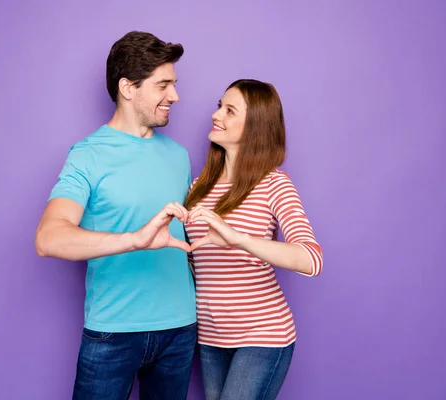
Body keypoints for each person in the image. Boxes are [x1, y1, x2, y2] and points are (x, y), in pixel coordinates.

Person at [34, 31, 197, 400]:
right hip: (113, 333)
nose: (175, 96)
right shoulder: (87, 155)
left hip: (181, 329)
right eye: (163, 85)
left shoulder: (179, 156)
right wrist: (134, 240)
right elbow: (48, 237)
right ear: (128, 87)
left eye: (174, 84)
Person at [183, 79, 324, 399]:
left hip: (262, 336)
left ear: (255, 128)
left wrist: (237, 238)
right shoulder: (197, 189)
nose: (217, 115)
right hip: (210, 338)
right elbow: (196, 262)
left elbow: (311, 259)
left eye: (230, 111)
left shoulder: (274, 184)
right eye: (219, 106)